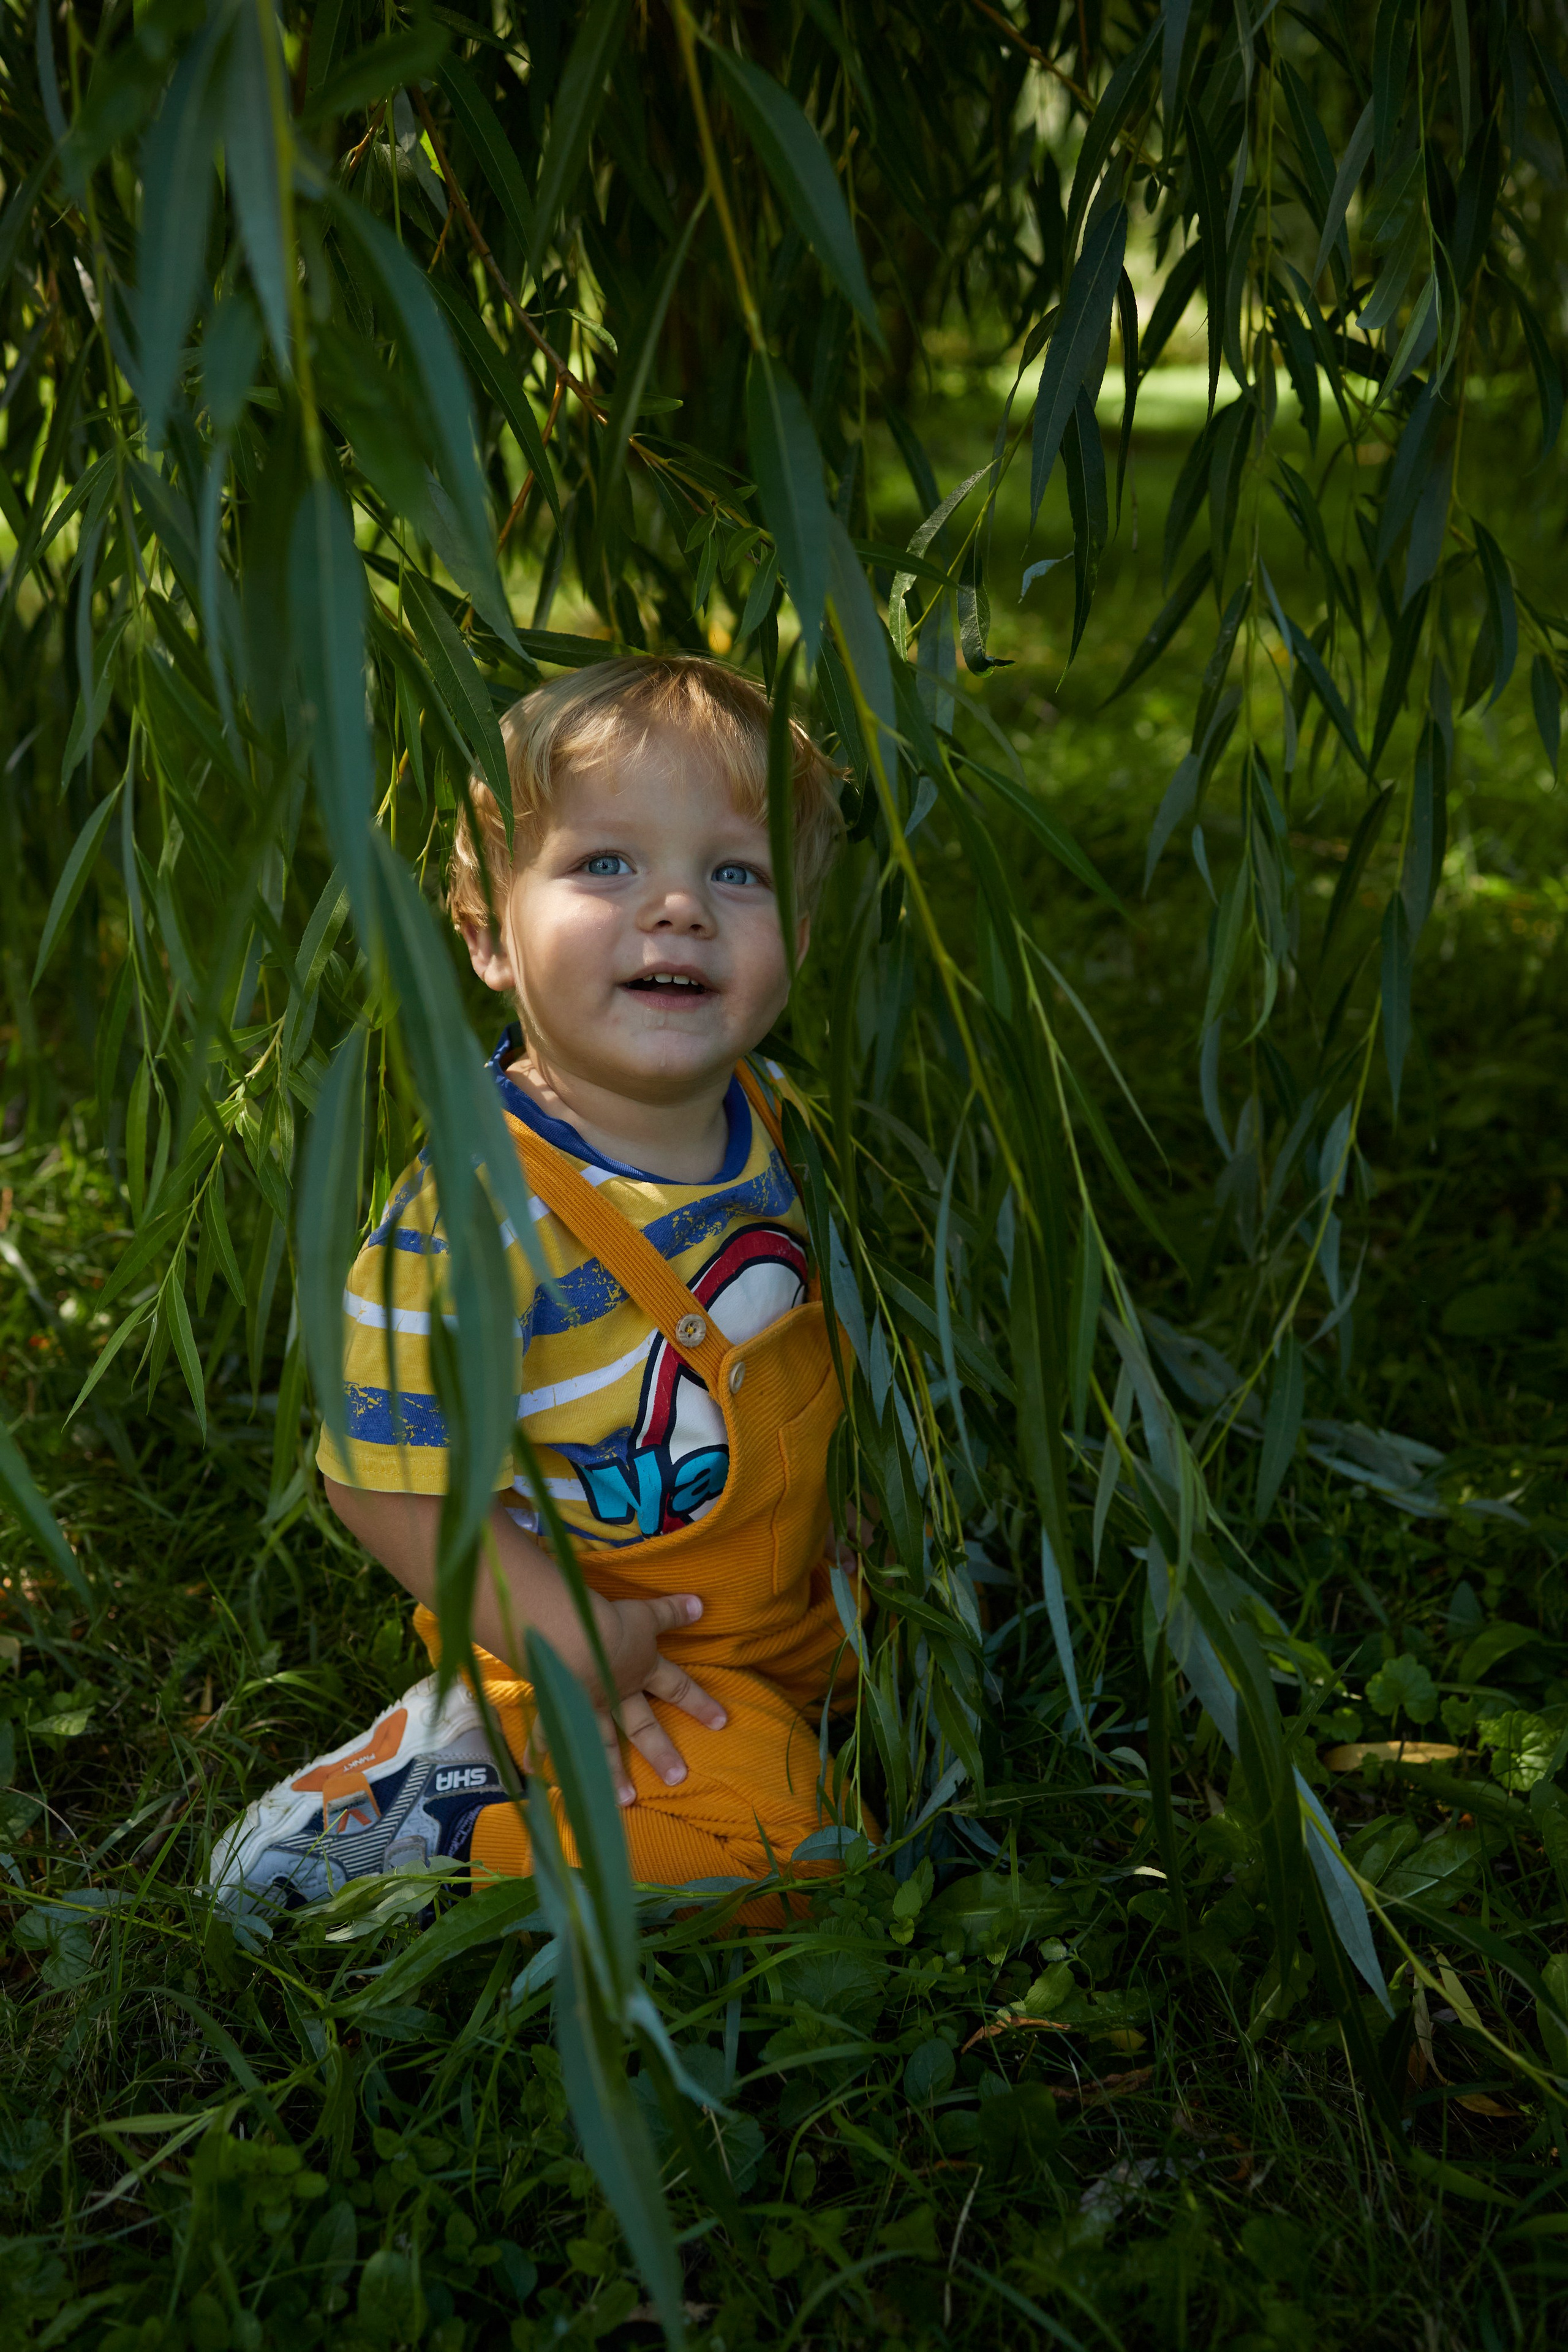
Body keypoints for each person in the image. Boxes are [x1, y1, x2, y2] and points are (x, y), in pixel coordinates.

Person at [209, 655, 862, 1918]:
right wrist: (559, 1633)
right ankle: (436, 1819)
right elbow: (369, 1469)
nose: (678, 907)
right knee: (795, 1857)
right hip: (611, 1641)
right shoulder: (471, 1215)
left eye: (737, 872)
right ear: (484, 935)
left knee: (962, 1674)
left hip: (789, 1599)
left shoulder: (770, 1119)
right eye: (605, 864)